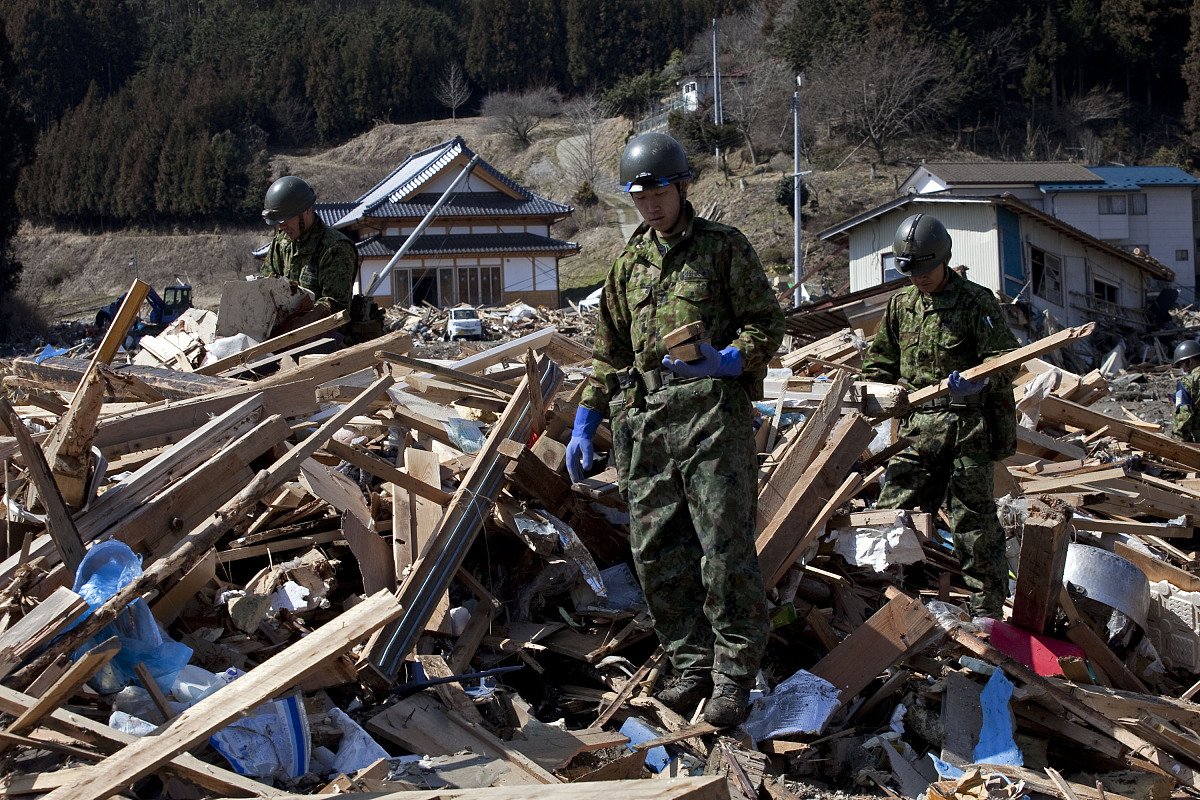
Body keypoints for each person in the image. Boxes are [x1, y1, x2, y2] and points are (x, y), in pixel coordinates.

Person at [566, 132, 784, 727]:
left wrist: (731, 359)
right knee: (657, 551)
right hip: (646, 428)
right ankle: (690, 663)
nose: (650, 205)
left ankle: (734, 674)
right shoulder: (627, 264)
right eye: (638, 195)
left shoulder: (722, 249)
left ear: (682, 187)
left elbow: (767, 323)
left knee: (724, 547)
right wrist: (588, 417)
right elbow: (608, 351)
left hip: (712, 419)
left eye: (658, 191)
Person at [861, 213, 1019, 619]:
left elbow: (1006, 360)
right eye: (910, 271)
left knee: (973, 520)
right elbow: (878, 365)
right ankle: (879, 595)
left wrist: (981, 383)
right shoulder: (901, 307)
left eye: (926, 269)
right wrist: (880, 395)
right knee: (893, 510)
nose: (919, 278)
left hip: (969, 429)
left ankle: (987, 610)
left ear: (944, 259)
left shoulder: (976, 301)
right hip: (919, 431)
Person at [261, 176, 357, 316]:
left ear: (307, 210)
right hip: (285, 331)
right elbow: (265, 286)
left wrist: (293, 324)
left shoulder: (335, 248)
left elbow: (335, 307)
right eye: (278, 222)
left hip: (325, 334)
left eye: (286, 218)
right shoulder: (282, 243)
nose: (281, 226)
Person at [1172, 340, 1200, 442]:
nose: (1182, 369)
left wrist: (1177, 443)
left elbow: (1184, 416)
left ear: (1190, 361)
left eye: (1181, 364)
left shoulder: (1187, 383)